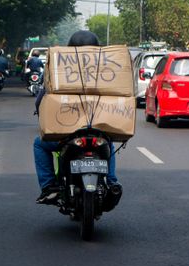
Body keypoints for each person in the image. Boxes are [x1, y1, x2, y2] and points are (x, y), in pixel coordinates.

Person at [33, 30, 122, 206]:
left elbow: (40, 100)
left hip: (68, 134)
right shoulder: (107, 69)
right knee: (109, 145)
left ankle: (49, 186)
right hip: (98, 132)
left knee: (39, 144)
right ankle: (111, 183)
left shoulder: (59, 69)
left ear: (70, 49)